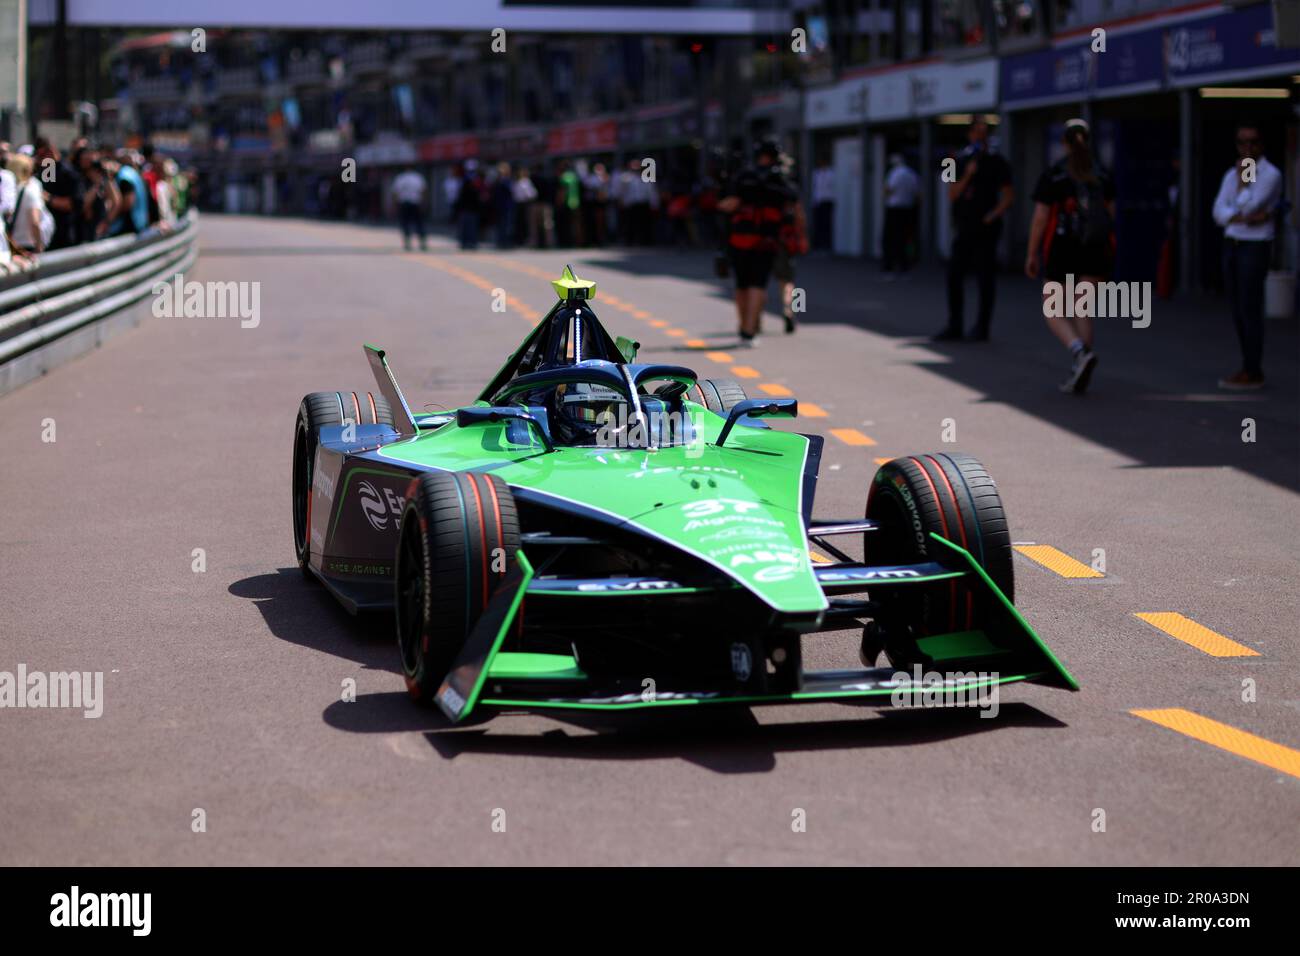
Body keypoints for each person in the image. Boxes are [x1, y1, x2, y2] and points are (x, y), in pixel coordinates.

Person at [1025, 118, 1116, 394]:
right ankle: (1081, 363)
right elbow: (1111, 216)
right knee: (1082, 309)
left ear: (1064, 142)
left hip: (1063, 248)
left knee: (1053, 308)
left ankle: (1079, 354)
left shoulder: (1055, 175)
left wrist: (1031, 253)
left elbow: (1041, 218)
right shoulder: (1102, 174)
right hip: (1096, 249)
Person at [1212, 122, 1281, 390]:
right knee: (1237, 307)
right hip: (1233, 243)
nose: (1247, 148)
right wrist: (1242, 216)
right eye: (1242, 143)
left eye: (1253, 142)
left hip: (1255, 244)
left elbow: (1251, 204)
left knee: (1250, 307)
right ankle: (1247, 364)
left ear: (1261, 145)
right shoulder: (1232, 174)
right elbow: (1219, 213)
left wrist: (1243, 188)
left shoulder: (1270, 174)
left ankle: (1253, 369)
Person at [936, 118, 1014, 341]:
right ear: (969, 135)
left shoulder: (998, 161)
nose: (981, 138)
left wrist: (993, 215)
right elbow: (951, 194)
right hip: (964, 227)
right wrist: (968, 174)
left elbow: (1009, 196)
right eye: (977, 133)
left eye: (985, 134)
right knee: (954, 276)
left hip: (986, 229)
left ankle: (982, 327)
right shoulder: (955, 160)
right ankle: (954, 325)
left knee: (985, 277)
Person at [717, 139, 795, 345]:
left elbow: (727, 204)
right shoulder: (780, 178)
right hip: (768, 240)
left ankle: (744, 328)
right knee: (757, 284)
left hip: (739, 239)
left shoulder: (744, 176)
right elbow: (793, 205)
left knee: (741, 285)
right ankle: (752, 331)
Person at [881, 153, 920, 278]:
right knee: (905, 238)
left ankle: (889, 266)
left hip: (894, 209)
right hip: (908, 209)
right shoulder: (912, 174)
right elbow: (918, 194)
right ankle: (905, 264)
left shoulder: (895, 173)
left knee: (890, 238)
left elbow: (888, 190)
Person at [6, 153, 50, 257]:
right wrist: (39, 245)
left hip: (7, 245)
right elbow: (35, 222)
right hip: (25, 248)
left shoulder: (7, 191)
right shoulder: (31, 191)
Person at [391, 165, 428, 251]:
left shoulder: (400, 178)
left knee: (405, 223)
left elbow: (395, 192)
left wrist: (394, 204)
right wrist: (424, 203)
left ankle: (408, 242)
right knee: (419, 223)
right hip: (416, 202)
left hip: (405, 203)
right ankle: (422, 242)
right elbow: (423, 191)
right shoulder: (418, 177)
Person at [453, 159, 485, 250]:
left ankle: (468, 242)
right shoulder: (473, 179)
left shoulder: (468, 179)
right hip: (470, 207)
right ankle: (469, 242)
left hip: (469, 207)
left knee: (468, 226)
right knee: (469, 226)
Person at [811, 158, 835, 251]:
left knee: (827, 223)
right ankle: (819, 243)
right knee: (819, 223)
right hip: (818, 200)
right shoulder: (816, 173)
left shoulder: (831, 173)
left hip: (827, 200)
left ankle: (827, 243)